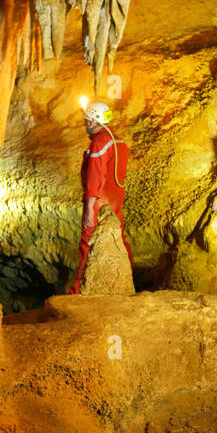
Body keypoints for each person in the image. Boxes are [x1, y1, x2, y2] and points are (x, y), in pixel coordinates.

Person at [68, 98, 132, 295]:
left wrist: (89, 207)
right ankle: (125, 282)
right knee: (117, 240)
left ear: (92, 121)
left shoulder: (99, 142)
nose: (86, 124)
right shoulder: (118, 140)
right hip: (115, 201)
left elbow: (95, 175)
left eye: (87, 120)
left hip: (99, 202)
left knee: (89, 244)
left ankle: (79, 293)